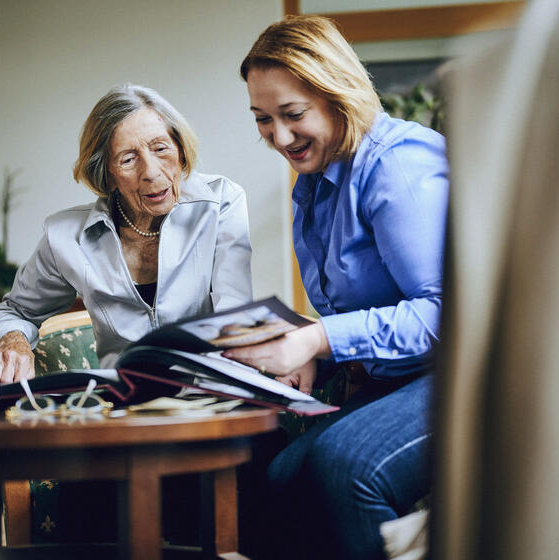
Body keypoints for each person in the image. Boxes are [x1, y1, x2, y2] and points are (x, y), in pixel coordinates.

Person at [223, 15, 448, 559]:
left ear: (337, 94)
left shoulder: (397, 167)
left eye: (293, 114)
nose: (279, 137)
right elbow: (360, 309)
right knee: (281, 476)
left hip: (467, 375)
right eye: (262, 119)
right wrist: (307, 350)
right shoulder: (314, 183)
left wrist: (319, 339)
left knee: (346, 467)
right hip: (399, 378)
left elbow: (448, 314)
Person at [0, 84, 253, 382]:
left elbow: (236, 317)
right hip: (125, 401)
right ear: (107, 174)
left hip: (212, 394)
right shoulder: (67, 237)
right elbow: (13, 312)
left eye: (160, 148)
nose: (151, 171)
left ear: (180, 150)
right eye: (128, 159)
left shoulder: (220, 204)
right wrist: (14, 340)